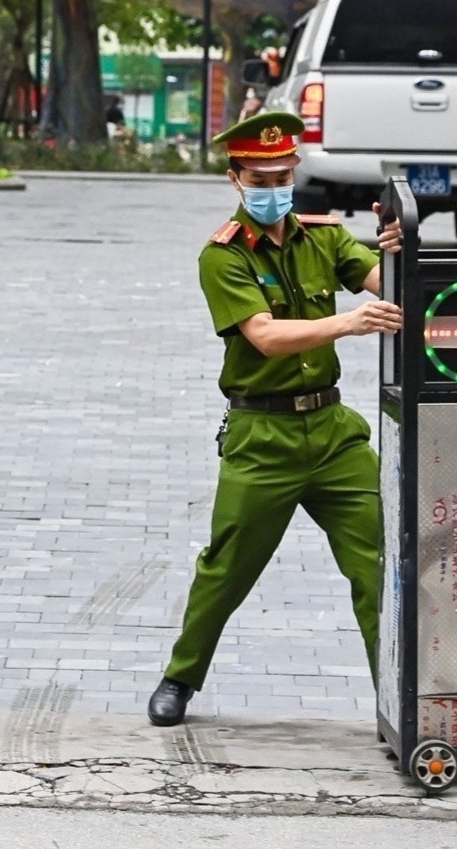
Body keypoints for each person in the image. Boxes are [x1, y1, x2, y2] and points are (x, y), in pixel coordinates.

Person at [147, 111, 404, 727]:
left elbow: (380, 281)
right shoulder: (222, 257)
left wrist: (401, 252)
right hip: (262, 435)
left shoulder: (324, 236)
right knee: (227, 567)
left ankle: (396, 698)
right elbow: (262, 335)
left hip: (335, 434)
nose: (273, 189)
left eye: (283, 176)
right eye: (259, 179)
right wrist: (347, 322)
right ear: (236, 179)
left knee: (380, 563)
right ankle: (181, 678)